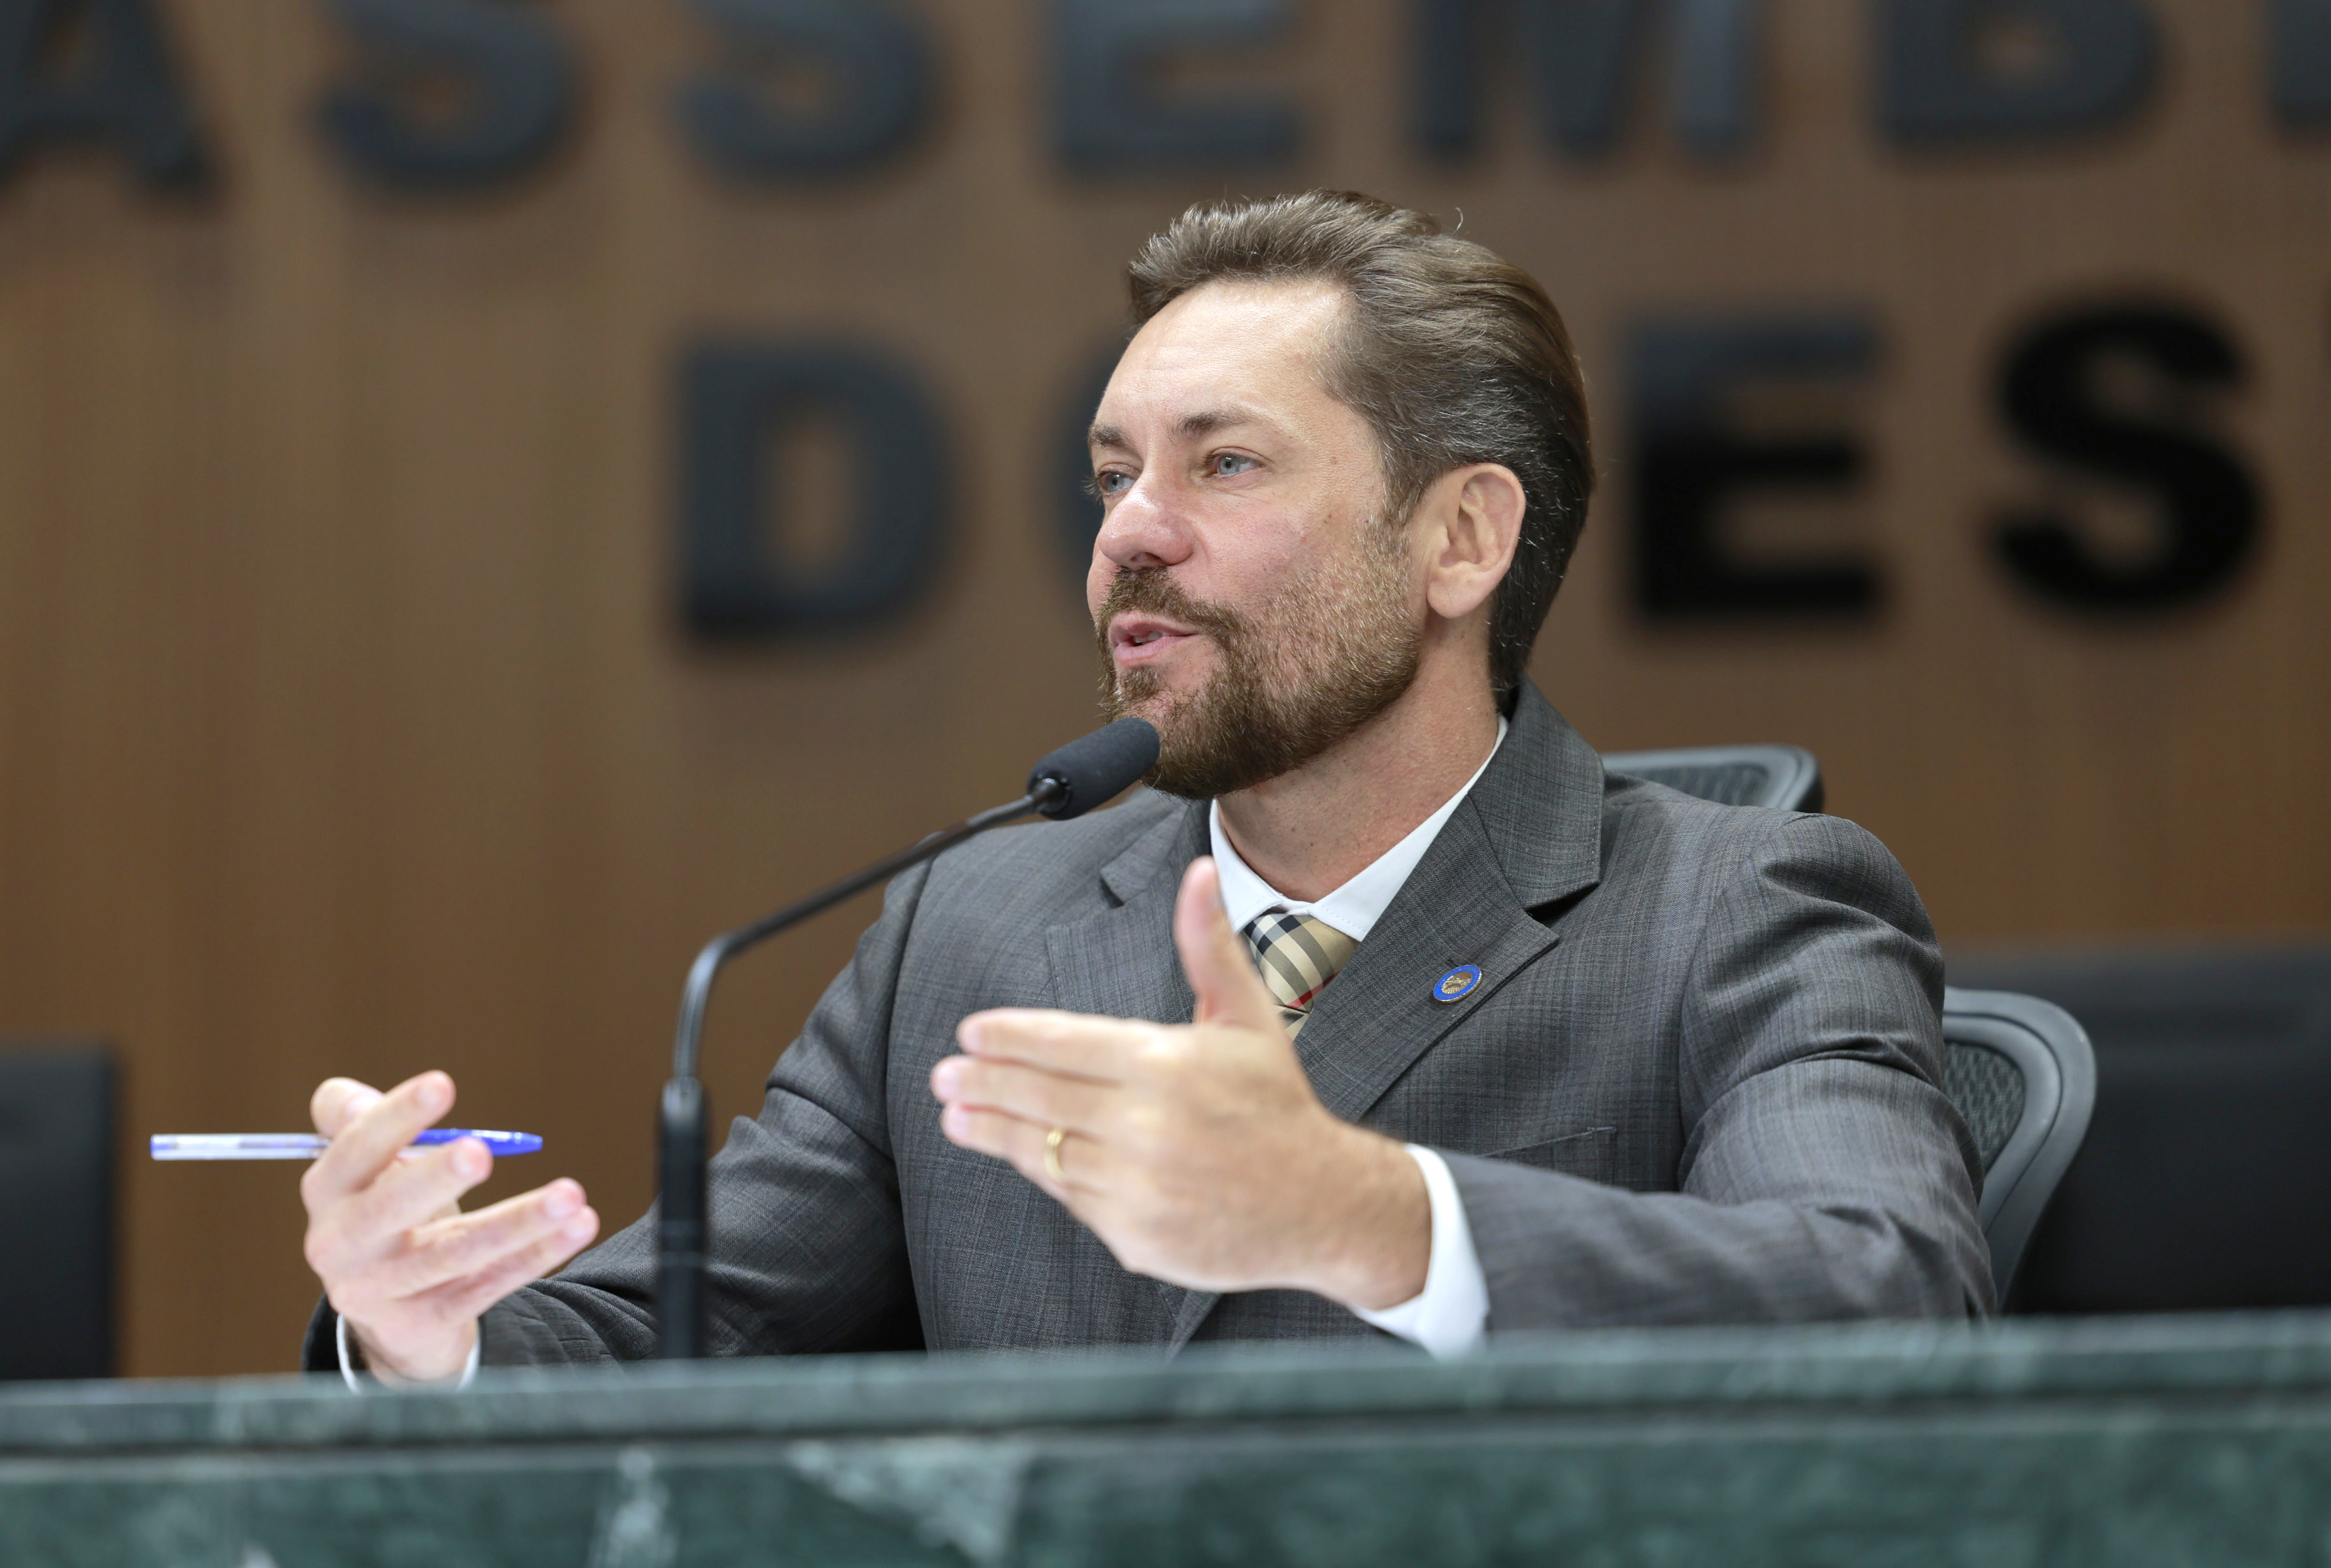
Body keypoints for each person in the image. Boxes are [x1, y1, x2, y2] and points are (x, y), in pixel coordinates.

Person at [297, 190, 1992, 1387]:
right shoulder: (972, 929)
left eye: (1224, 463)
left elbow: (1887, 1303)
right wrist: (421, 1335)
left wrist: (1374, 1218)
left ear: (1462, 537)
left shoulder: (1739, 909)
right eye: (1112, 475)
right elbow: (672, 1338)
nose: (1131, 533)